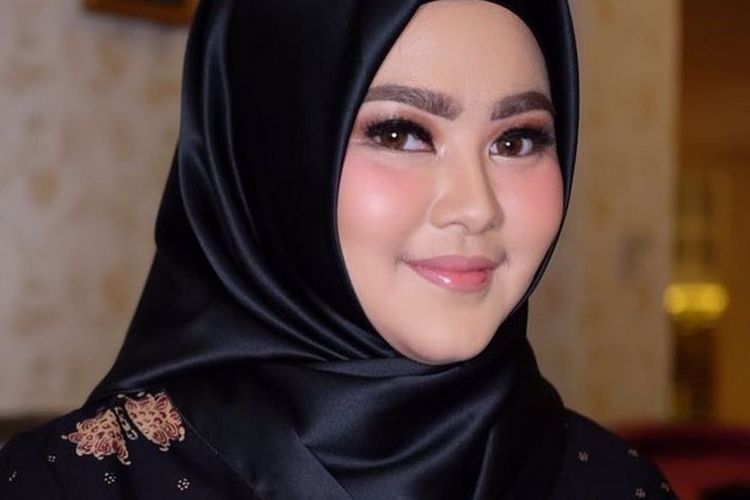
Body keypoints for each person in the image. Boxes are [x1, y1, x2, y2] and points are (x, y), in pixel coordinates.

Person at [0, 0, 678, 498]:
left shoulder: (616, 485)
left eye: (516, 139)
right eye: (400, 133)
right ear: (269, 158)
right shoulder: (70, 485)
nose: (476, 206)